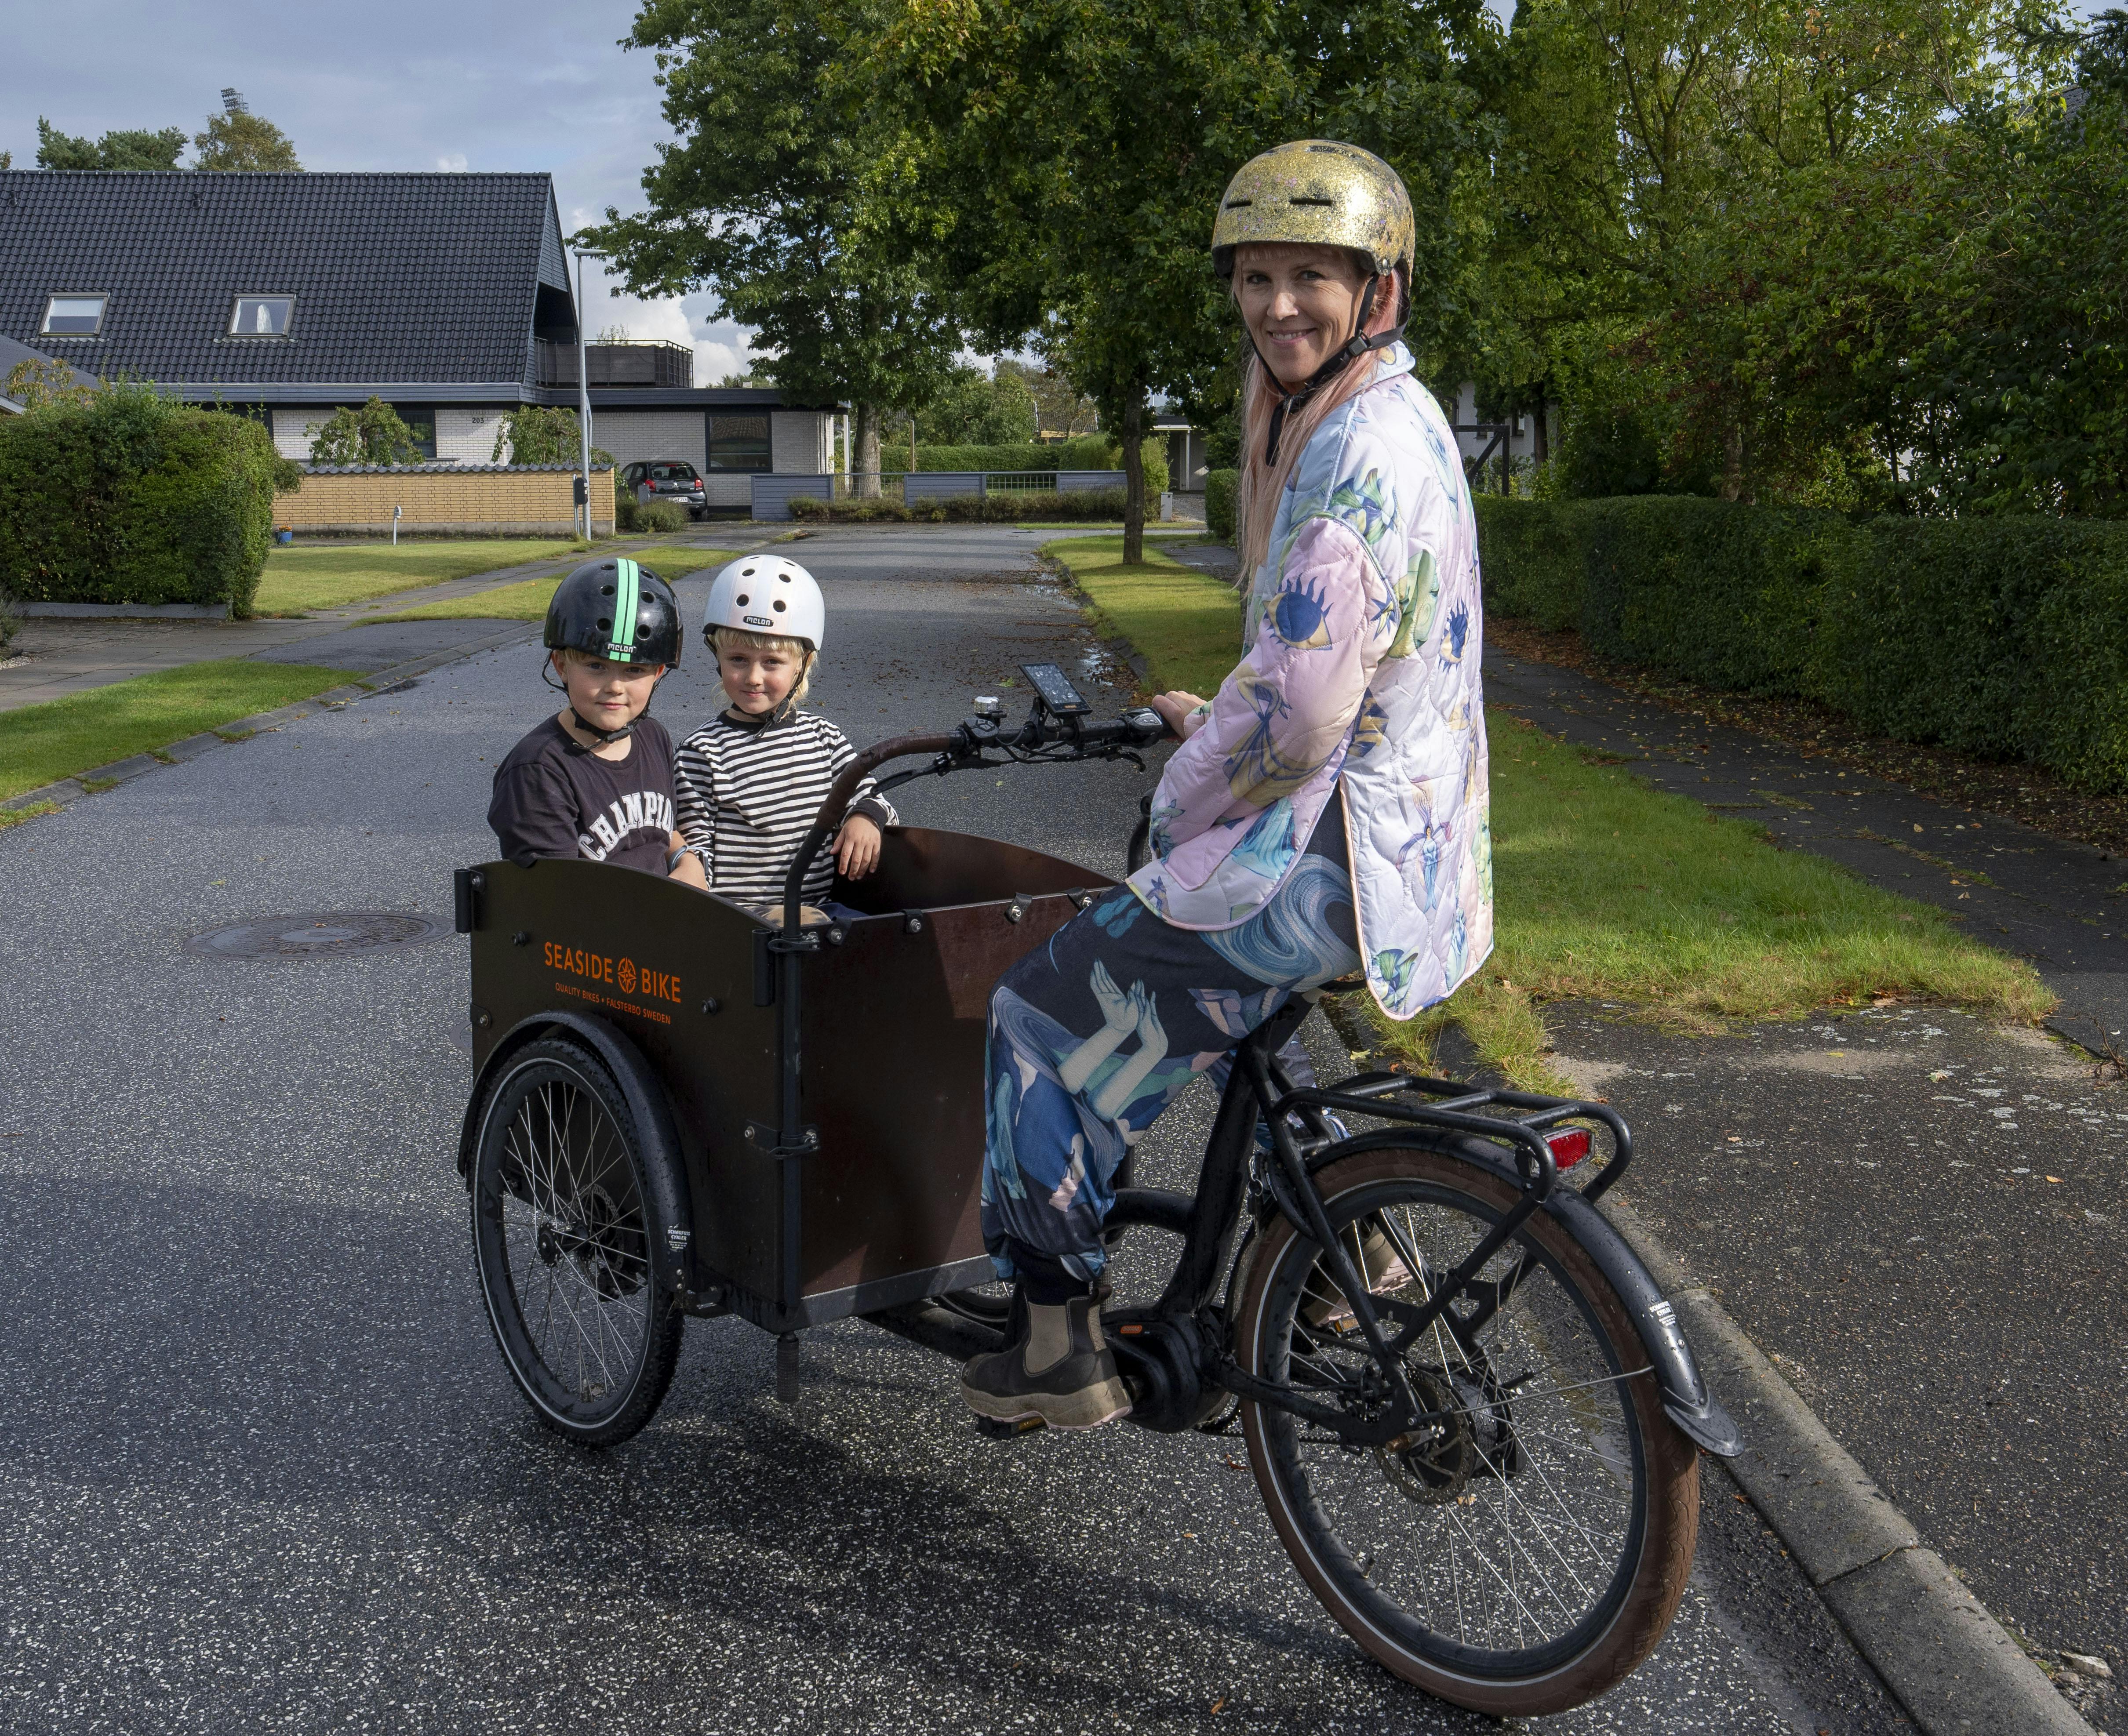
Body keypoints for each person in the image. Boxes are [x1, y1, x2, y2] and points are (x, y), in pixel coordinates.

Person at [961, 139, 1493, 1431]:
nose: (1274, 306)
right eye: (1254, 277)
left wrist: (1188, 782)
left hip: (1314, 851)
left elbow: (1302, 716)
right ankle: (1338, 1260)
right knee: (1241, 1034)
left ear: (1380, 288)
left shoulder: (1351, 453)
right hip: (1402, 842)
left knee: (1042, 1014)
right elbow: (1329, 663)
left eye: (1310, 275)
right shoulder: (1392, 411)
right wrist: (1226, 714)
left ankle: (1052, 1341)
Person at [673, 555, 895, 917]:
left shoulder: (823, 738)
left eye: (772, 662)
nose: (754, 677)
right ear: (718, 658)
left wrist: (864, 818)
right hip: (739, 919)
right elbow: (697, 849)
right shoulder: (702, 751)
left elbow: (874, 799)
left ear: (802, 664)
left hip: (821, 909)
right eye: (738, 660)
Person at [487, 556, 707, 889]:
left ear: (657, 673)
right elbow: (554, 895)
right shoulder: (538, 770)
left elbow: (662, 831)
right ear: (561, 665)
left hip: (664, 921)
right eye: (595, 666)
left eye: (634, 670)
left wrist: (686, 860)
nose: (615, 687)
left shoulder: (653, 736)